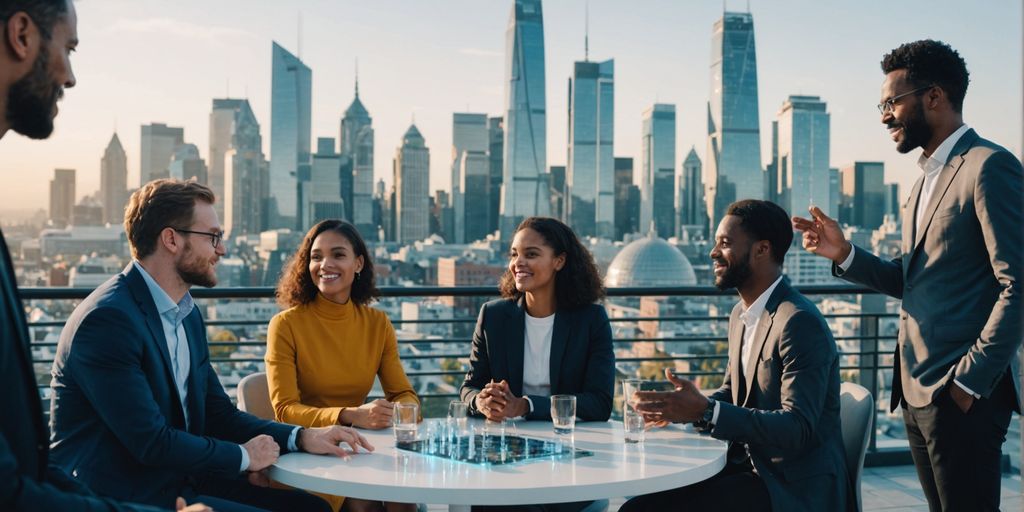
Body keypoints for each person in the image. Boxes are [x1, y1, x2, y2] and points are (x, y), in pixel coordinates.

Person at [49, 179, 375, 512]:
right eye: (213, 237)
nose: (221, 249)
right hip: (126, 494)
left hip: (181, 478)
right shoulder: (108, 320)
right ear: (172, 239)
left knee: (312, 508)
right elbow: (150, 442)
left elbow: (218, 414)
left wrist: (303, 437)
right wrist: (244, 456)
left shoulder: (185, 314)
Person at [793, 40, 1022, 511]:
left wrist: (967, 383)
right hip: (917, 394)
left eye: (891, 102)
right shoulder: (919, 184)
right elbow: (913, 279)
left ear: (933, 96)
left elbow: (1017, 285)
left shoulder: (988, 167)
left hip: (961, 395)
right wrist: (846, 253)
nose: (883, 116)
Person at [0, 1, 205, 510]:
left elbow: (24, 457)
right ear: (22, 35)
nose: (69, 78)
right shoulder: (109, 319)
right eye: (67, 49)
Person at [621, 200, 851, 512]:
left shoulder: (799, 322)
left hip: (792, 487)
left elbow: (797, 427)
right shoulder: (740, 314)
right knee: (640, 505)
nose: (713, 252)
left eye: (725, 243)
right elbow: (734, 393)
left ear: (762, 250)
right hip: (750, 468)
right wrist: (679, 407)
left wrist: (707, 411)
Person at [460, 217, 614, 512]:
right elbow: (469, 386)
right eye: (514, 254)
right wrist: (480, 401)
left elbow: (600, 402)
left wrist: (527, 405)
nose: (519, 262)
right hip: (507, 454)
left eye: (531, 254)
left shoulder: (590, 320)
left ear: (559, 261)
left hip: (570, 456)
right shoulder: (493, 316)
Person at [266, 219, 419, 512]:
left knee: (404, 494)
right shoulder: (285, 325)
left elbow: (404, 394)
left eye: (338, 254)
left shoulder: (377, 324)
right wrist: (350, 415)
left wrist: (395, 412)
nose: (325, 264)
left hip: (362, 448)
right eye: (316, 256)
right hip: (307, 452)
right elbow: (284, 410)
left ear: (358, 263)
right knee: (365, 502)